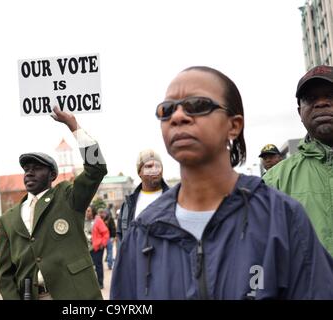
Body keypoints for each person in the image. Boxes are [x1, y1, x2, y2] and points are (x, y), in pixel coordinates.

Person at [111, 66, 333, 299]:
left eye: (197, 105)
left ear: (234, 125)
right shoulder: (143, 232)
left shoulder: (280, 217)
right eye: (166, 110)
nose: (177, 117)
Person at [0, 107, 108, 300]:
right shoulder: (8, 219)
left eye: (37, 168)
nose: (29, 173)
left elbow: (96, 169)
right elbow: (5, 273)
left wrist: (73, 125)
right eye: (26, 169)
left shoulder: (66, 197)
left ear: (52, 175)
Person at [264, 65, 333, 257]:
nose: (321, 103)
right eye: (310, 99)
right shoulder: (273, 182)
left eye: (330, 95)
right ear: (300, 112)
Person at [116, 149, 169, 242]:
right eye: (149, 166)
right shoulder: (128, 205)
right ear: (139, 172)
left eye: (158, 166)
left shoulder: (174, 199)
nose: (154, 170)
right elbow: (121, 237)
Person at [85, 207, 109, 289]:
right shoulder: (83, 221)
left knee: (98, 265)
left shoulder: (97, 221)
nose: (87, 212)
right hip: (87, 248)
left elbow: (105, 232)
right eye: (86, 211)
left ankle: (100, 283)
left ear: (93, 212)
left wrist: (103, 244)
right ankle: (92, 284)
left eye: (88, 211)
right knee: (89, 267)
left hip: (97, 248)